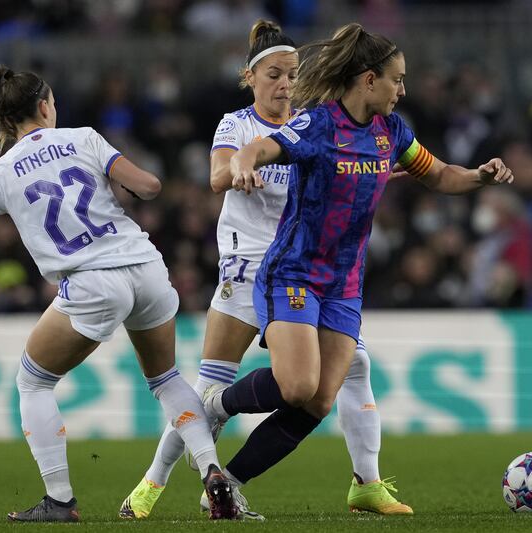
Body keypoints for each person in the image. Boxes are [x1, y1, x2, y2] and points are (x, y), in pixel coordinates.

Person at [0, 65, 238, 522]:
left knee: (33, 382)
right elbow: (150, 186)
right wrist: (126, 187)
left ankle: (60, 500)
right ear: (44, 106)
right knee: (167, 379)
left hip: (92, 282)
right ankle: (211, 470)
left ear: (5, 119)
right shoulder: (85, 138)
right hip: (146, 267)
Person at [201, 21, 514, 514]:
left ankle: (226, 484)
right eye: (397, 79)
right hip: (294, 272)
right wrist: (243, 159)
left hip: (344, 284)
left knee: (320, 402)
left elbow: (437, 174)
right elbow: (264, 146)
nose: (402, 89)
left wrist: (479, 175)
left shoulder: (392, 131)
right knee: (297, 386)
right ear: (368, 80)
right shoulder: (318, 125)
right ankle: (216, 406)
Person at [119, 20, 412, 521]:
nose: (285, 84)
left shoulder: (315, 124)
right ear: (250, 78)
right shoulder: (239, 126)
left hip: (304, 270)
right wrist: (238, 170)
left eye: (293, 74)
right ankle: (152, 483)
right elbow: (217, 173)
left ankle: (366, 482)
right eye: (274, 74)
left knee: (352, 367)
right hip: (249, 267)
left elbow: (347, 168)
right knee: (210, 385)